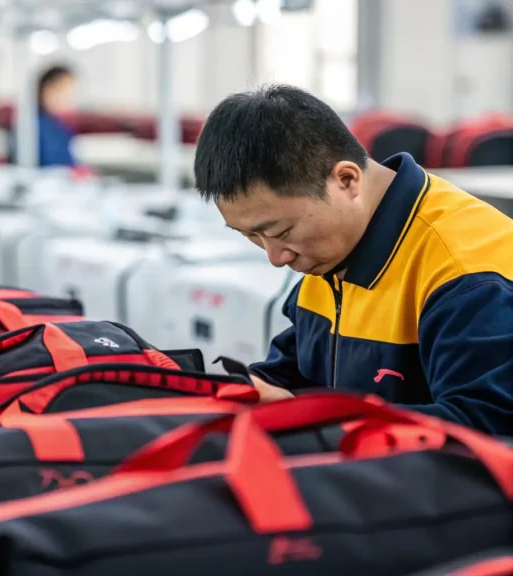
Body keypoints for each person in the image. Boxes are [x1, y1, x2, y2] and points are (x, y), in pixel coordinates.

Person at [193, 84, 513, 435]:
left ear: (346, 179)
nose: (276, 258)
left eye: (281, 232)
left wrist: (310, 419)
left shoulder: (467, 277)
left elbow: (487, 432)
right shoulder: (336, 250)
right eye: (251, 236)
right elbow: (291, 374)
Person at [10, 65, 78, 168]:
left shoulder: (60, 127)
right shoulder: (30, 126)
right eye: (59, 89)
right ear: (43, 89)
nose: (64, 97)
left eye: (68, 91)